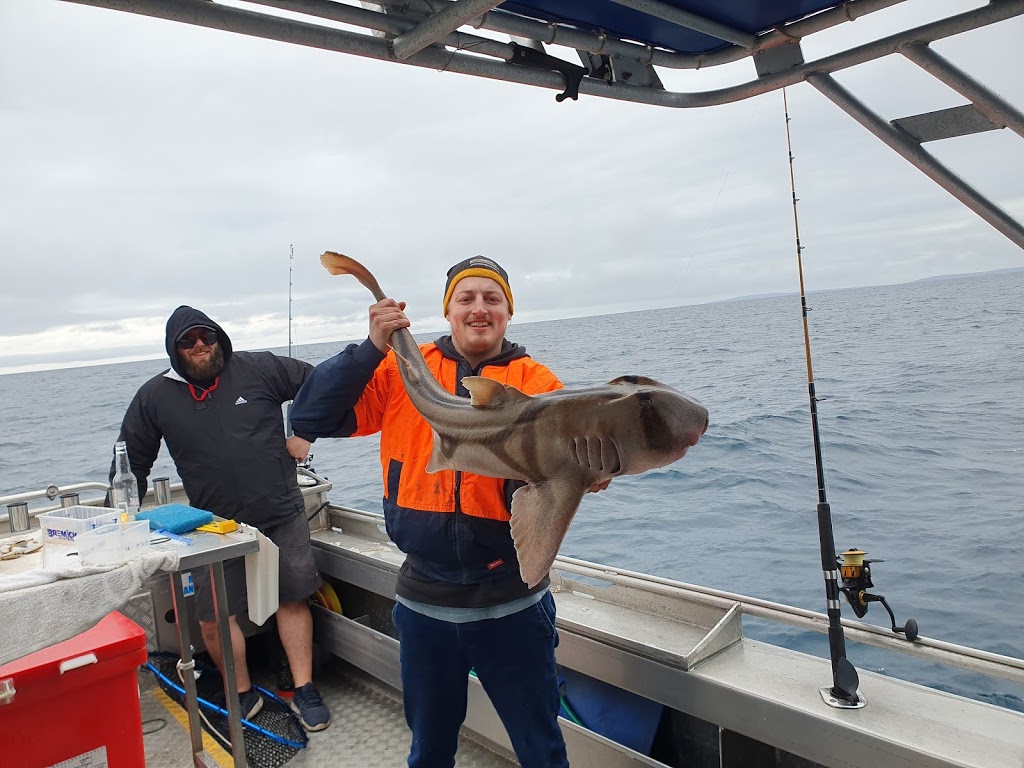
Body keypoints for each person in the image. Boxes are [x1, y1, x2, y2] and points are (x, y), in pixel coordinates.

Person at [290, 256, 607, 767]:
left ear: (508, 312)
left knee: (542, 751)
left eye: (492, 299)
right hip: (425, 606)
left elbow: (568, 469)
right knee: (429, 752)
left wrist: (591, 471)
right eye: (467, 298)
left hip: (513, 603)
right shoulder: (398, 373)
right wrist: (371, 349)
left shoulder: (538, 385)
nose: (479, 309)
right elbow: (307, 415)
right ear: (448, 310)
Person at [110, 305, 331, 732]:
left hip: (280, 509)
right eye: (187, 340)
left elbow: (322, 384)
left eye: (206, 337)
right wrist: (120, 522)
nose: (199, 345)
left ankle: (304, 688)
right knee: (213, 616)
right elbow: (130, 461)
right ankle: (241, 693)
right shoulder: (154, 396)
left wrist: (305, 432)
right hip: (213, 525)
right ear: (174, 349)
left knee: (293, 597)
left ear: (219, 338)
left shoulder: (260, 368)